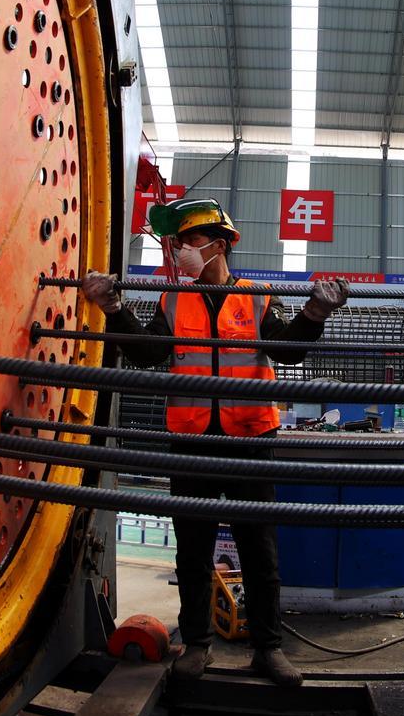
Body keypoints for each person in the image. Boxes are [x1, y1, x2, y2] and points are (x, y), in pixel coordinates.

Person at [82, 199, 349, 687]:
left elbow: (288, 352)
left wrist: (315, 312)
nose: (182, 250)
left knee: (259, 552)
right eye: (179, 242)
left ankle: (268, 649)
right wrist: (113, 308)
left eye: (192, 241)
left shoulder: (259, 297)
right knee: (192, 551)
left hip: (250, 439)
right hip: (191, 442)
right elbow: (146, 355)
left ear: (219, 246)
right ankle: (198, 644)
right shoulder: (171, 300)